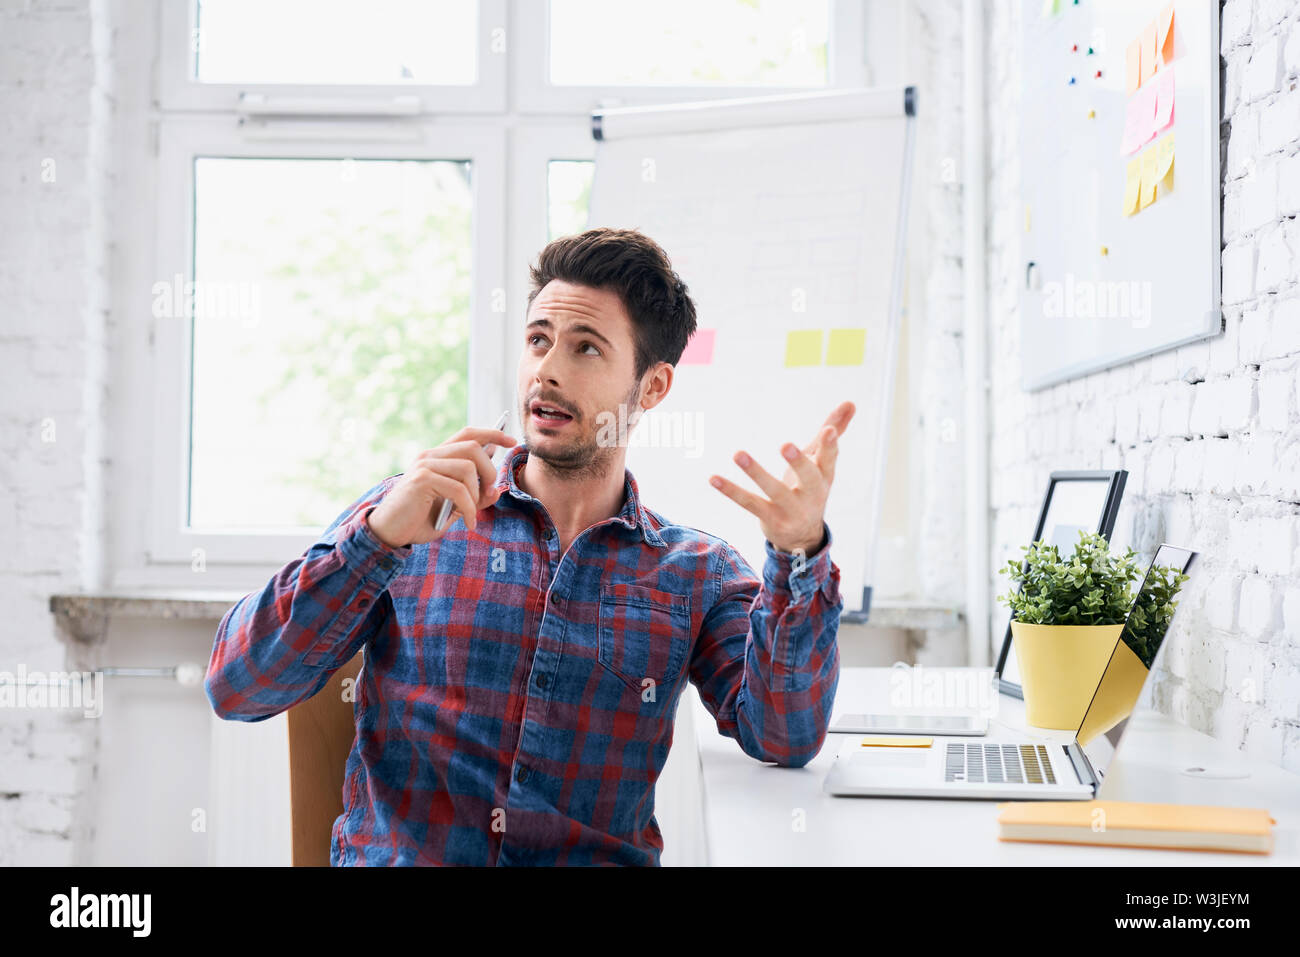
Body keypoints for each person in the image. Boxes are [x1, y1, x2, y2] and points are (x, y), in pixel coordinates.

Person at [205, 227, 854, 865]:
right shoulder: (415, 515)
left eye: (586, 349)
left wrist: (799, 550)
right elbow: (237, 686)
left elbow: (784, 734)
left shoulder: (694, 574)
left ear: (652, 386)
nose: (546, 370)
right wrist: (374, 541)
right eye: (538, 340)